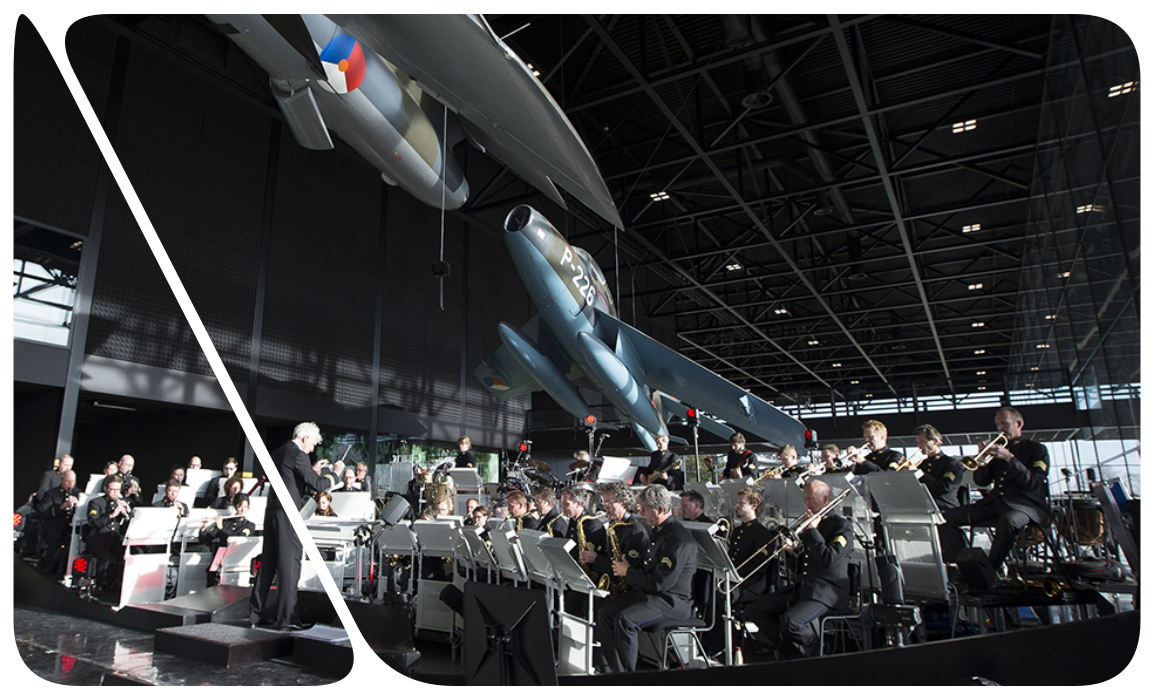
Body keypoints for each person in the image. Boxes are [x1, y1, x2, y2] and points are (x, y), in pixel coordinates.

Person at [743, 480, 854, 659]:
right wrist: (792, 552)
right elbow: (802, 564)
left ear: (825, 499)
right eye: (805, 499)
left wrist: (812, 531)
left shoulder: (841, 526)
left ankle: (814, 651)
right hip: (804, 586)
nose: (806, 504)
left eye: (810, 499)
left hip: (826, 591)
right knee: (756, 610)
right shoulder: (811, 525)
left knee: (792, 621)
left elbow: (829, 559)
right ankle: (788, 647)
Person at [594, 485, 697, 674]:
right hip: (651, 595)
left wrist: (628, 572)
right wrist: (629, 566)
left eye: (645, 510)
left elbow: (661, 582)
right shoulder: (658, 531)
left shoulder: (677, 539)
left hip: (671, 601)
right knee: (605, 612)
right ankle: (608, 670)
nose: (641, 514)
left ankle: (625, 677)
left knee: (626, 620)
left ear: (659, 509)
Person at [939, 408, 1050, 573]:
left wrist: (1010, 458)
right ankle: (964, 566)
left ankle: (990, 570)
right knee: (945, 518)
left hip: (1026, 507)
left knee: (1009, 521)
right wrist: (983, 461)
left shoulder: (1036, 449)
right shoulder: (997, 450)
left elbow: (1034, 483)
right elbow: (982, 481)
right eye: (998, 424)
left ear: (1019, 424)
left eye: (1004, 423)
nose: (1000, 429)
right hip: (996, 504)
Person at [250, 421, 337, 631]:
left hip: (273, 510)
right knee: (289, 565)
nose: (312, 449)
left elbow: (291, 479)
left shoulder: (278, 452)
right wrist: (334, 474)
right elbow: (318, 484)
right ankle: (287, 617)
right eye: (313, 443)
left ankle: (256, 614)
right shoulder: (298, 454)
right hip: (288, 514)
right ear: (305, 438)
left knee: (268, 562)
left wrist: (311, 470)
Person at [581, 483, 649, 599]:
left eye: (609, 503)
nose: (605, 507)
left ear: (623, 503)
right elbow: (609, 556)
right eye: (604, 503)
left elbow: (628, 570)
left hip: (627, 591)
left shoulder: (634, 531)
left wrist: (596, 560)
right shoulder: (614, 525)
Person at [85, 474, 132, 592]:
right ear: (105, 489)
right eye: (112, 489)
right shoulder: (96, 503)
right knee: (105, 555)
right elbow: (94, 523)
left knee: (130, 553)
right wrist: (112, 515)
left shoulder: (122, 501)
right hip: (98, 538)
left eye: (118, 490)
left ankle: (121, 585)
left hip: (114, 538)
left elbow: (127, 527)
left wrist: (129, 514)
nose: (115, 493)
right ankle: (100, 586)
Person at [198, 493, 257, 586]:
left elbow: (237, 538)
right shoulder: (226, 522)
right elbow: (204, 539)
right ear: (235, 507)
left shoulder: (249, 525)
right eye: (240, 506)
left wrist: (221, 529)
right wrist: (204, 527)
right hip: (220, 562)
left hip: (237, 562)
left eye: (245, 507)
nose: (243, 509)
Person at [36, 469, 80, 576]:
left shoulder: (78, 493)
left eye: (72, 482)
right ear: (61, 481)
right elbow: (42, 511)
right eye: (67, 482)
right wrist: (61, 507)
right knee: (54, 536)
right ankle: (48, 564)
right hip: (54, 524)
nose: (70, 485)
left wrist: (78, 504)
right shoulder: (51, 494)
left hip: (72, 525)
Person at [913, 424, 965, 510]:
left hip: (945, 508)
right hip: (924, 507)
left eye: (922, 442)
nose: (919, 446)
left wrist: (919, 474)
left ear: (935, 441)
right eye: (918, 442)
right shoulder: (922, 464)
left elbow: (944, 488)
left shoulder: (952, 464)